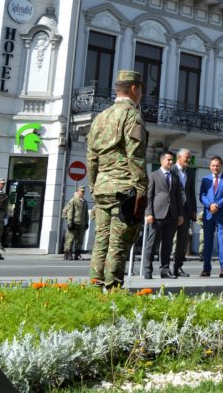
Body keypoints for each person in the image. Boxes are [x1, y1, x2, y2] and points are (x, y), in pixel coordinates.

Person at [87, 69, 149, 290]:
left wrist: (94, 186)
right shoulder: (132, 115)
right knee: (118, 244)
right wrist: (142, 189)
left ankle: (95, 288)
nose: (140, 95)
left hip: (102, 188)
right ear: (134, 89)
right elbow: (135, 155)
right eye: (140, 90)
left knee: (100, 241)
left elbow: (92, 158)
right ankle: (113, 291)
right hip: (124, 189)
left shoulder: (100, 117)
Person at [144, 150, 184, 279]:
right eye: (168, 160)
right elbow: (149, 196)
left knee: (167, 245)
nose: (171, 162)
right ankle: (147, 270)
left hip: (172, 215)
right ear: (162, 161)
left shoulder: (175, 177)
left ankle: (165, 270)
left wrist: (180, 215)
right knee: (152, 243)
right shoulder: (153, 175)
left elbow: (178, 198)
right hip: (157, 214)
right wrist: (149, 213)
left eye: (172, 160)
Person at [200, 156, 223, 277]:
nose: (215, 167)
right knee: (207, 241)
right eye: (213, 165)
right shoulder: (205, 179)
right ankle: (206, 268)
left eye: (217, 165)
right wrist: (210, 206)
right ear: (210, 166)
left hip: (222, 214)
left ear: (221, 166)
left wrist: (217, 205)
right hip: (208, 214)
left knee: (222, 241)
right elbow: (202, 196)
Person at [171, 148, 197, 277]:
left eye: (189, 157)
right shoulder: (171, 169)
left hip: (186, 210)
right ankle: (164, 267)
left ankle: (178, 267)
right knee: (167, 239)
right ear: (179, 157)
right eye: (187, 157)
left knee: (182, 241)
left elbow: (192, 191)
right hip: (172, 210)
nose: (189, 159)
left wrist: (193, 211)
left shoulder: (190, 172)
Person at [62, 186, 90, 260]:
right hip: (74, 222)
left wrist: (87, 222)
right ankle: (68, 253)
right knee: (70, 238)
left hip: (82, 223)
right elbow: (70, 211)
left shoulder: (84, 201)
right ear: (78, 191)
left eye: (84, 191)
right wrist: (70, 222)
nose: (83, 193)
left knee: (80, 240)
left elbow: (86, 213)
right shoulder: (73, 200)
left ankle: (77, 253)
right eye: (81, 191)